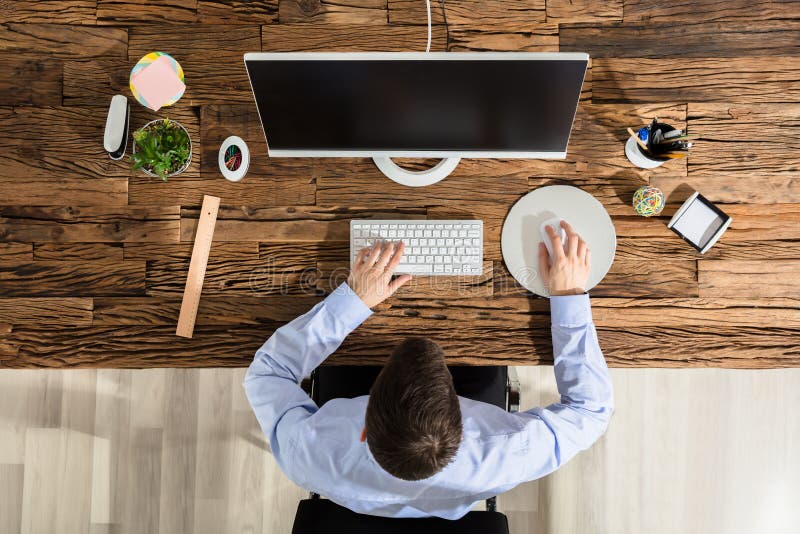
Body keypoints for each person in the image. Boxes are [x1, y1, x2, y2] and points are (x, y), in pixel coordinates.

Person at [244, 221, 614, 520]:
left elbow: (267, 374)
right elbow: (591, 410)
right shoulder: (505, 452)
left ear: (362, 427)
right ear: (462, 413)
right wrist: (568, 296)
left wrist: (352, 301)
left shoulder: (309, 452)